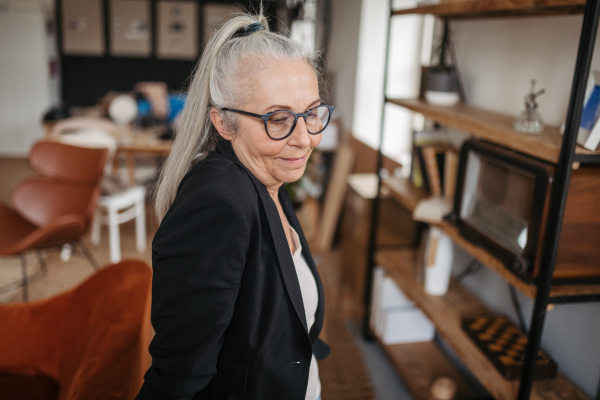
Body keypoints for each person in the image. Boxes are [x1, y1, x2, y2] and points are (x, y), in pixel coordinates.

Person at [136, 9, 334, 400]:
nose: (305, 139)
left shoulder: (269, 175)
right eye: (278, 118)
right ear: (224, 123)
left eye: (311, 113)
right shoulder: (218, 204)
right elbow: (179, 374)